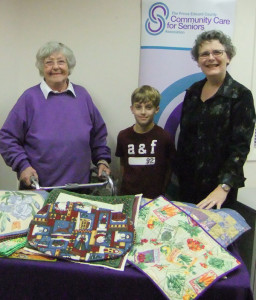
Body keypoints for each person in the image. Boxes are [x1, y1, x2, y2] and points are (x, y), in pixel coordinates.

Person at [0, 41, 111, 189]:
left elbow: (98, 134)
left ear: (68, 66)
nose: (56, 67)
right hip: (40, 189)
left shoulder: (82, 95)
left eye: (61, 62)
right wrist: (22, 166)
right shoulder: (30, 98)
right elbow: (7, 137)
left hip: (80, 188)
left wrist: (102, 160)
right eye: (49, 62)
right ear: (42, 67)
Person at [174, 30, 255, 210]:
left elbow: (239, 148)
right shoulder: (193, 92)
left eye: (217, 52)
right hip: (187, 186)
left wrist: (224, 187)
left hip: (219, 191)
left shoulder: (241, 96)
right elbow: (185, 138)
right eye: (204, 54)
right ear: (198, 61)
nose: (211, 58)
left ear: (228, 57)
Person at [115, 85, 176, 199]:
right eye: (138, 107)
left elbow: (169, 169)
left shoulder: (164, 137)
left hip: (154, 198)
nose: (143, 112)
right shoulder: (123, 136)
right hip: (128, 197)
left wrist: (162, 192)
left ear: (156, 109)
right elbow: (123, 166)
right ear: (132, 109)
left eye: (148, 107)